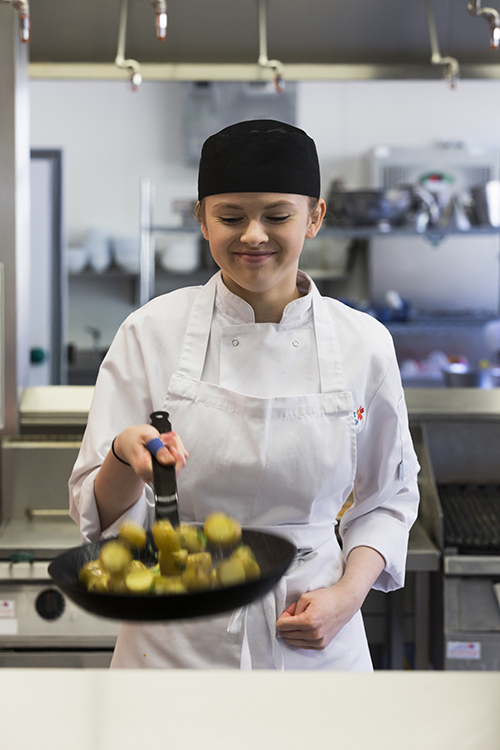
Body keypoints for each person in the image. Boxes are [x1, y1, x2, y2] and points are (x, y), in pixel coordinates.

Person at [69, 119, 420, 670]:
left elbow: (388, 501)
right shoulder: (150, 332)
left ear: (315, 217)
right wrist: (121, 455)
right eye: (230, 217)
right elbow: (98, 512)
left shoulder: (364, 344)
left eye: (277, 216)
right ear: (202, 222)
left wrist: (346, 598)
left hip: (315, 637)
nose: (253, 234)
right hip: (173, 640)